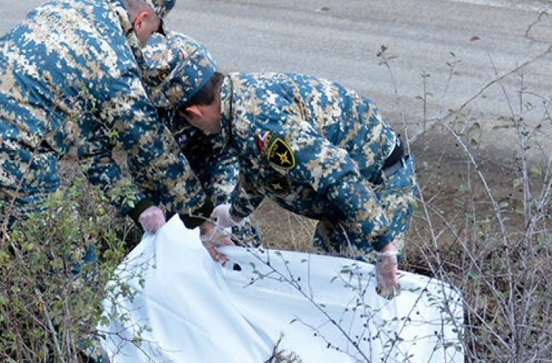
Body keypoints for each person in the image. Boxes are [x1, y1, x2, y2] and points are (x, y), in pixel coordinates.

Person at [154, 53, 418, 298]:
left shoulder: (261, 121)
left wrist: (383, 247)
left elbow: (339, 173)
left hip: (374, 195)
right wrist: (232, 214)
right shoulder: (236, 99)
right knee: (330, 291)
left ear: (194, 113)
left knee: (365, 299)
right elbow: (261, 170)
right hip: (343, 203)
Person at [0, 0, 213, 233]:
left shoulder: (68, 8)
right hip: (11, 163)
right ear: (141, 20)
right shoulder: (113, 58)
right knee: (73, 267)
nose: (146, 44)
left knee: (0, 247)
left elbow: (92, 150)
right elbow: (150, 145)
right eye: (153, 33)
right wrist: (202, 216)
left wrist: (138, 206)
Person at [140, 31, 263, 247]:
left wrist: (222, 206)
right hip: (159, 178)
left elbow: (226, 154)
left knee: (235, 232)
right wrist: (140, 205)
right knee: (157, 243)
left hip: (207, 163)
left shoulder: (211, 97)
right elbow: (152, 158)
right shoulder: (140, 105)